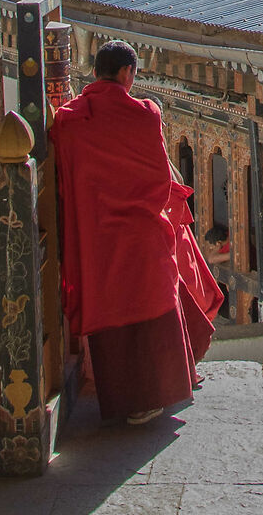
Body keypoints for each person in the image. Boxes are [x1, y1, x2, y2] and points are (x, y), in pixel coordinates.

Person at [52, 41, 220, 424]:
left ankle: (126, 399)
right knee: (153, 310)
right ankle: (159, 390)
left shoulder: (69, 120)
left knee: (112, 313)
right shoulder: (145, 113)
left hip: (95, 239)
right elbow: (160, 179)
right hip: (141, 234)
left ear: (95, 72)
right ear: (128, 74)